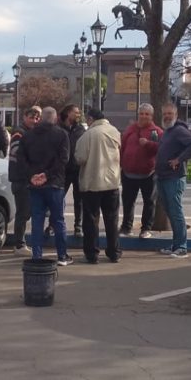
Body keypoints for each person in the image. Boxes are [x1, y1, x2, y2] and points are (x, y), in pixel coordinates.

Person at [19, 107, 72, 265]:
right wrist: (47, 175)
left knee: (37, 220)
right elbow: (64, 159)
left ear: (41, 118)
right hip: (55, 183)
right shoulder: (61, 134)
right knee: (58, 220)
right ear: (55, 119)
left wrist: (32, 176)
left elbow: (21, 160)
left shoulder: (28, 136)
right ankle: (62, 256)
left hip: (34, 185)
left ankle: (37, 255)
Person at [75, 108, 122, 263]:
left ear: (90, 119)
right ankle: (114, 252)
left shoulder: (87, 135)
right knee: (112, 219)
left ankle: (92, 254)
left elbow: (80, 158)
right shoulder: (114, 131)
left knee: (91, 220)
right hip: (112, 182)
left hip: (92, 183)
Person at [156, 103, 191, 258]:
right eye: (165, 114)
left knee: (176, 212)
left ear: (175, 115)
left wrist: (179, 160)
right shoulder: (167, 132)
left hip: (174, 179)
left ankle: (182, 246)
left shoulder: (178, 130)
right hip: (163, 177)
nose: (167, 116)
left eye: (170, 113)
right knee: (170, 211)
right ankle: (175, 245)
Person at [119, 103, 163, 238]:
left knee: (149, 202)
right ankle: (126, 227)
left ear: (151, 116)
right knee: (128, 202)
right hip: (128, 173)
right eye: (141, 113)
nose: (143, 116)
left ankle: (146, 229)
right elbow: (122, 147)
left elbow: (160, 150)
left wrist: (149, 144)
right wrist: (121, 163)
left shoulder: (157, 132)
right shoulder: (130, 130)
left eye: (147, 114)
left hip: (148, 174)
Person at [7, 106, 41, 254]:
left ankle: (20, 243)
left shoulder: (28, 133)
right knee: (23, 212)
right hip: (21, 179)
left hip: (25, 179)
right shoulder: (19, 134)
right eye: (31, 117)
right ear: (24, 117)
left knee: (26, 212)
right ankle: (19, 244)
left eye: (37, 118)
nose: (34, 121)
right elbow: (16, 154)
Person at [59, 104, 86, 237]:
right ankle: (54, 225)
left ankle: (78, 226)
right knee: (58, 198)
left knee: (79, 200)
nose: (78, 115)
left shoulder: (80, 129)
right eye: (76, 112)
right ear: (68, 113)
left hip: (77, 169)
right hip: (62, 170)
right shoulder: (58, 128)